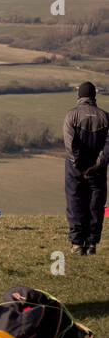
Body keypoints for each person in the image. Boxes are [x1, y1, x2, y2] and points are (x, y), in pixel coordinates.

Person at [63, 81, 108, 256]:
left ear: (79, 96)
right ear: (94, 97)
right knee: (95, 205)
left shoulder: (71, 115)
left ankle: (76, 244)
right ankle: (92, 244)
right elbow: (108, 145)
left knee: (75, 203)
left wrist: (79, 165)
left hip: (74, 169)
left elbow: (69, 143)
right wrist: (98, 164)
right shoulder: (106, 116)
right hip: (97, 169)